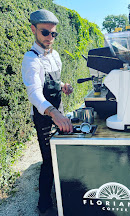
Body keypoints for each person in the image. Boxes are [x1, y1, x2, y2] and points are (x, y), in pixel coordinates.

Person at [22, 9, 73, 216]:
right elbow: (34, 93)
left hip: (58, 112)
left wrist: (63, 86)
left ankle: (63, 194)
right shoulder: (30, 59)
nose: (50, 38)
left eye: (54, 34)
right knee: (49, 161)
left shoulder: (55, 55)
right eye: (45, 33)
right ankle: (44, 204)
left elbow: (51, 82)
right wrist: (54, 113)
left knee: (62, 155)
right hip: (45, 118)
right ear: (34, 29)